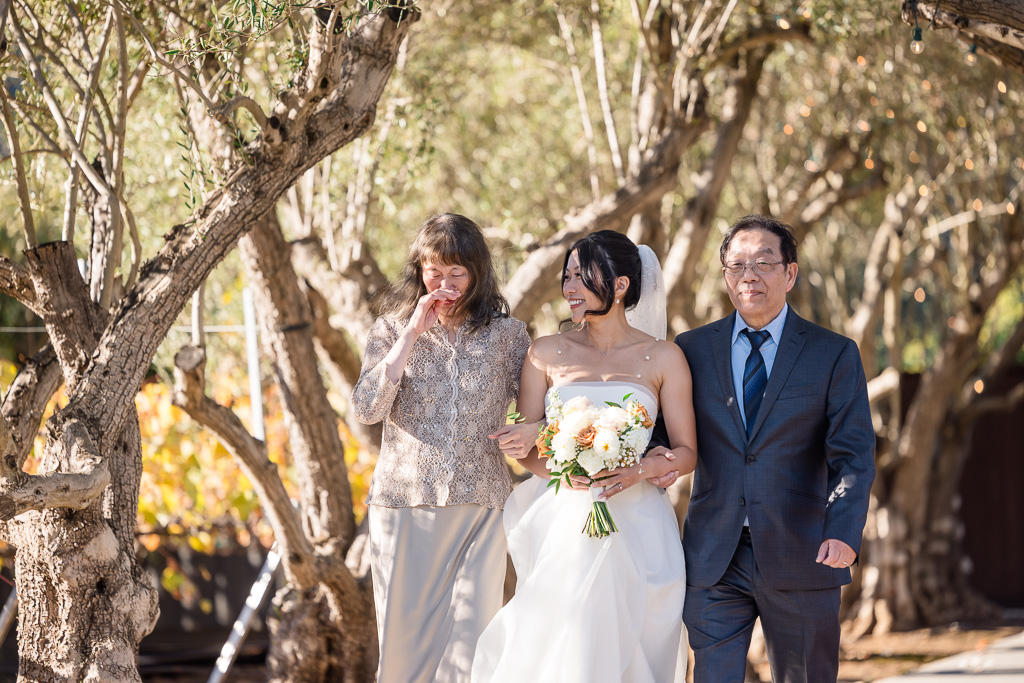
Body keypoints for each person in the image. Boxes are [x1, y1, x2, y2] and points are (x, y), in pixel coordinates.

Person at [650, 214, 875, 682]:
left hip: (805, 551)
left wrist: (844, 530)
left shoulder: (833, 353)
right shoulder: (691, 349)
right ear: (726, 275)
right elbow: (665, 434)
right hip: (714, 555)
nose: (748, 275)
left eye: (763, 263)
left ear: (789, 273)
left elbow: (852, 455)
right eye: (736, 265)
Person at [473, 230, 698, 683]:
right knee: (567, 642)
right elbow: (531, 450)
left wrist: (646, 468)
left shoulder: (664, 357)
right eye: (567, 275)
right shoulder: (545, 354)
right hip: (567, 524)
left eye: (582, 275)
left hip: (641, 524)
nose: (569, 288)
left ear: (619, 286)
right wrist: (556, 465)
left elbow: (687, 452)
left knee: (633, 647)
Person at [351, 213, 531, 683]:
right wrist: (411, 333)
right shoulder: (390, 330)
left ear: (477, 273)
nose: (445, 283)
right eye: (435, 271)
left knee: (473, 642)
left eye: (458, 272)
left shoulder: (509, 336)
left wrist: (530, 432)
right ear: (419, 270)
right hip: (405, 509)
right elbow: (368, 408)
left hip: (482, 506)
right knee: (403, 654)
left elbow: (536, 414)